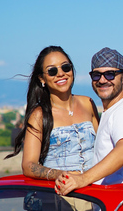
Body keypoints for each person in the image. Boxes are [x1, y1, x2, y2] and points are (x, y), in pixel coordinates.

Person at [55, 47, 123, 195]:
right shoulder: (111, 111)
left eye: (110, 74)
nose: (102, 80)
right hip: (117, 207)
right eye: (96, 75)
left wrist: (83, 179)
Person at [9, 45, 99, 180]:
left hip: (94, 193)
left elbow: (102, 148)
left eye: (65, 67)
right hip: (59, 196)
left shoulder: (88, 103)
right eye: (52, 71)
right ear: (42, 79)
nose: (60, 73)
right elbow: (28, 165)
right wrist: (59, 175)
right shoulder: (39, 115)